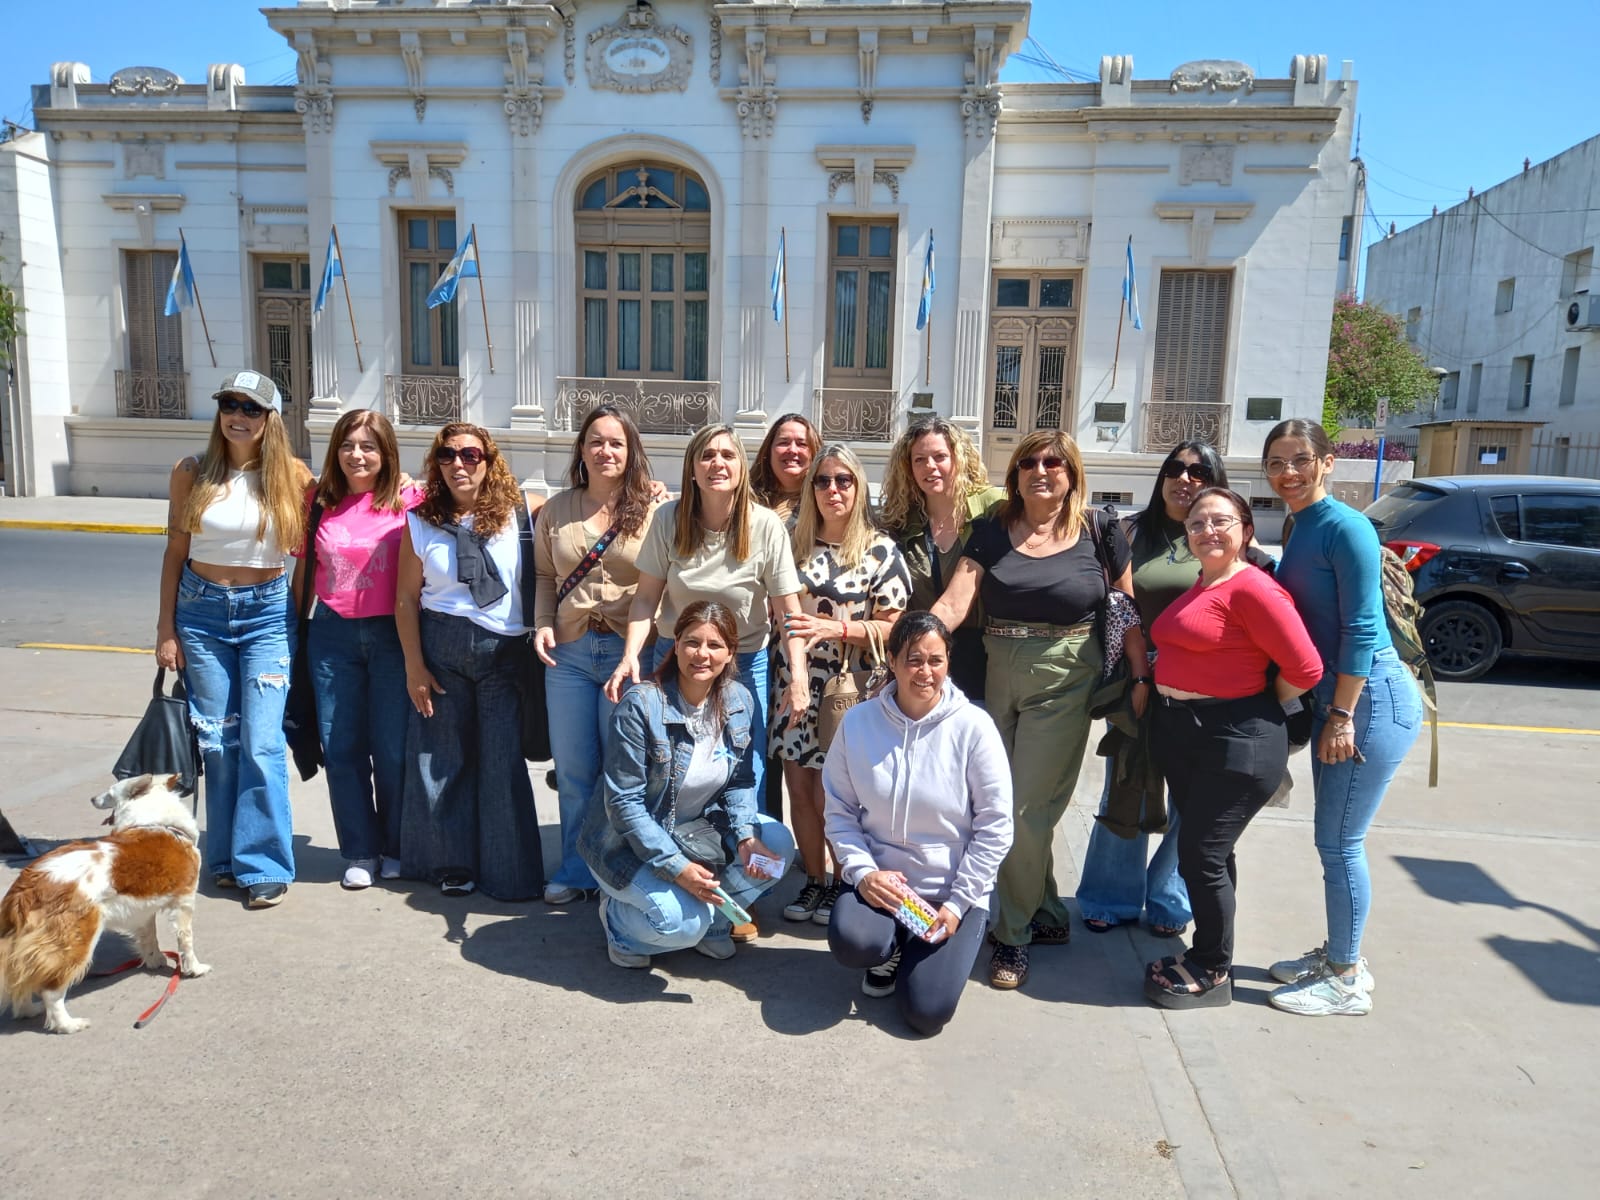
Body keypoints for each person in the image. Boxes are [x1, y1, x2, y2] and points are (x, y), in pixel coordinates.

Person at [931, 430, 1149, 990]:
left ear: (1072, 473)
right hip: (998, 670)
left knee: (1024, 809)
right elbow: (957, 601)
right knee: (996, 801)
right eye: (1029, 461)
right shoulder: (992, 530)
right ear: (1015, 474)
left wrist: (1141, 679)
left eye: (1054, 462)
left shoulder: (1100, 531)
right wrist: (921, 642)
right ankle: (1047, 912)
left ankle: (1011, 936)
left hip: (1066, 672)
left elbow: (1126, 611)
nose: (1041, 470)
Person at [1261, 419, 1423, 1017]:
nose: (1288, 473)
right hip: (1340, 695)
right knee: (1332, 839)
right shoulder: (1300, 523)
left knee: (1340, 843)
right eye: (1276, 463)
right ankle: (1339, 951)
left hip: (1367, 697)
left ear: (1327, 462)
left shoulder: (1347, 528)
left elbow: (1359, 628)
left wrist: (1342, 716)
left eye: (1300, 459)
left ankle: (1346, 978)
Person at [1142, 488, 1323, 1008]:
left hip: (1235, 740)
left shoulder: (1254, 589)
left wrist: (1257, 704)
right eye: (1197, 523)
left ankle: (1211, 967)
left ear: (1246, 529)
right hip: (1187, 735)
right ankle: (1209, 949)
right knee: (1212, 854)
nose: (1207, 531)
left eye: (1220, 521)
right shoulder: (1204, 584)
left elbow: (1306, 669)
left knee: (1201, 856)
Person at [155, 369, 312, 909]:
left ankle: (264, 863)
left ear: (271, 420)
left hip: (267, 616)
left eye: (251, 408)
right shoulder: (191, 471)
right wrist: (165, 629)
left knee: (263, 741)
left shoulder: (293, 475)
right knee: (218, 744)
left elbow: (352, 500)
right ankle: (223, 858)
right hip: (200, 616)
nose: (238, 416)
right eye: (230, 405)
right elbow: (175, 553)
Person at [823, 612, 1013, 1036]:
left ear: (948, 662)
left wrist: (958, 902)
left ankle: (931, 949)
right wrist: (863, 873)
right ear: (891, 661)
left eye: (936, 660)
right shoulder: (858, 723)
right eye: (913, 660)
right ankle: (888, 949)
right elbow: (839, 811)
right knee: (854, 941)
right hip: (884, 887)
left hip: (950, 893)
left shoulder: (974, 727)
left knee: (926, 1013)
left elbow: (996, 826)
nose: (925, 672)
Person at [580, 601, 797, 968]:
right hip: (627, 845)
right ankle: (619, 923)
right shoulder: (642, 705)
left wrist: (746, 836)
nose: (702, 654)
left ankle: (710, 924)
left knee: (776, 847)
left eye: (715, 645)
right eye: (692, 642)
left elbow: (740, 781)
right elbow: (624, 805)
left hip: (696, 833)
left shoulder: (740, 701)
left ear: (730, 653)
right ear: (676, 644)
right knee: (678, 924)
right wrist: (678, 868)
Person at [606, 422, 809, 808]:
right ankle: (675, 856)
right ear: (693, 468)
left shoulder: (765, 526)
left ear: (741, 467)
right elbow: (646, 598)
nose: (717, 463)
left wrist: (798, 676)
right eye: (707, 455)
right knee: (670, 765)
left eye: (728, 455)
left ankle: (744, 856)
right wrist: (630, 655)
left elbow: (788, 611)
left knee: (744, 767)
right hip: (675, 658)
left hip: (744, 663)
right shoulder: (668, 518)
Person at [1076, 442, 1231, 938]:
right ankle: (1110, 896)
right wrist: (1138, 673)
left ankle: (1169, 897)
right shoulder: (1130, 532)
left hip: (1204, 691)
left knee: (1193, 799)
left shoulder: (1218, 537)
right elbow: (1114, 605)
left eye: (1199, 472)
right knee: (1127, 786)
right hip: (1138, 684)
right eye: (1176, 469)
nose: (1185, 479)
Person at [396, 422, 543, 901]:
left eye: (470, 455)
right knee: (443, 762)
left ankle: (510, 875)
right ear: (436, 464)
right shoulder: (420, 519)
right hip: (441, 650)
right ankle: (450, 864)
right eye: (447, 455)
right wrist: (414, 666)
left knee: (502, 765)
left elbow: (579, 511)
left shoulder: (521, 511)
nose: (458, 463)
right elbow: (405, 599)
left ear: (489, 460)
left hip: (503, 654)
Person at [775, 443, 911, 925]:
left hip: (849, 689)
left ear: (859, 486)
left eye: (843, 480)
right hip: (793, 681)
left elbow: (895, 627)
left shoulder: (880, 550)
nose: (833, 490)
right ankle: (814, 881)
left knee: (838, 795)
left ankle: (842, 881)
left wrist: (839, 629)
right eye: (823, 481)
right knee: (800, 787)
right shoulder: (791, 541)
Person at [532, 404, 658, 905]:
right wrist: (542, 624)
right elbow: (545, 577)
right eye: (596, 442)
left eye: (616, 443)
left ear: (631, 453)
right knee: (574, 768)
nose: (606, 451)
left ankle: (615, 873)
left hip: (628, 654)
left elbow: (659, 584)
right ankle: (575, 867)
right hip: (568, 654)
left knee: (622, 771)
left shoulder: (653, 512)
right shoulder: (557, 509)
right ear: (581, 450)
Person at [291, 408, 420, 890]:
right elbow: (302, 574)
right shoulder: (319, 501)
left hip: (393, 634)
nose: (357, 455)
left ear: (386, 453)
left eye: (368, 446)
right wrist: (290, 632)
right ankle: (360, 851)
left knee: (391, 749)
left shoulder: (411, 499)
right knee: (342, 747)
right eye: (348, 445)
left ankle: (396, 847)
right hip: (331, 635)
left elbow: (487, 502)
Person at [880, 417, 1003, 703]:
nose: (930, 467)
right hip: (922, 659)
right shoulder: (901, 519)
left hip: (983, 657)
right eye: (919, 459)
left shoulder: (993, 506)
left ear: (958, 459)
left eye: (940, 457)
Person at [750, 412, 822, 528]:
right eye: (783, 443)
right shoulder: (746, 498)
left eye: (801, 444)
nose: (792, 450)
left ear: (814, 452)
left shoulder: (823, 502)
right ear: (769, 451)